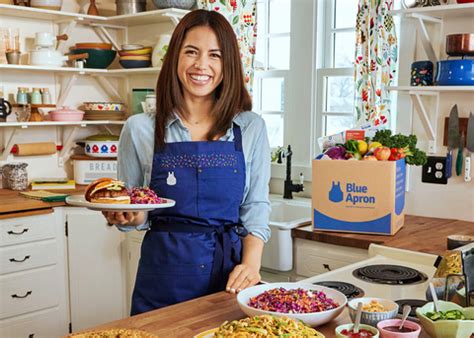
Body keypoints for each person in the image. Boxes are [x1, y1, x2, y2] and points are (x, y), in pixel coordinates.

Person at [102, 9, 271, 315]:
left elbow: (255, 206)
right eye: (191, 52)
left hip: (229, 279)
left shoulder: (250, 127)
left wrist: (251, 264)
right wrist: (128, 217)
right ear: (175, 58)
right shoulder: (139, 128)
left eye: (215, 55)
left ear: (228, 64)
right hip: (162, 278)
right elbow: (138, 212)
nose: (201, 65)